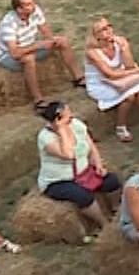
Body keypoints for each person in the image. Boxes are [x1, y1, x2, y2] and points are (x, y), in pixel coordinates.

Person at [34, 100, 122, 240]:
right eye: (68, 115)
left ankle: (116, 211)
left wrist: (98, 164)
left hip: (84, 172)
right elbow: (69, 154)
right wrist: (62, 130)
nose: (71, 116)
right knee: (83, 197)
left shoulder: (76, 124)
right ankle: (104, 224)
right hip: (60, 180)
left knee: (111, 181)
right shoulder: (45, 138)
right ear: (58, 119)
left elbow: (91, 146)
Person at [0, 0, 84, 103]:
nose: (33, 6)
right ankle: (38, 99)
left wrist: (52, 41)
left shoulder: (35, 11)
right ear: (19, 9)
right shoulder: (8, 24)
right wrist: (37, 45)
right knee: (29, 59)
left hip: (31, 47)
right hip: (8, 56)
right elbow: (14, 53)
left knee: (63, 41)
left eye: (33, 2)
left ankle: (79, 78)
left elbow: (46, 31)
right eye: (29, 4)